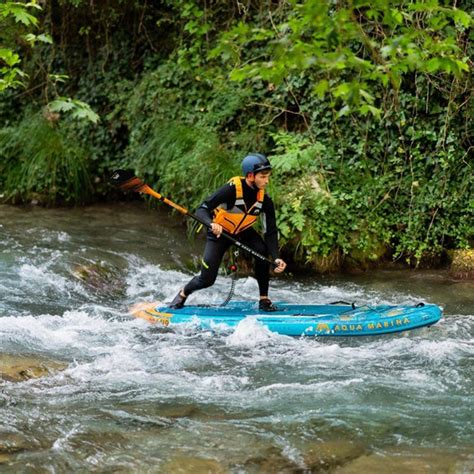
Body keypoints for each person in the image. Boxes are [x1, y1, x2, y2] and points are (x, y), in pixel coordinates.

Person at [169, 153, 287, 311]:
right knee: (207, 280)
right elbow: (202, 209)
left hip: (243, 232)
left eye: (268, 176)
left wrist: (276, 257)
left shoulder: (265, 200)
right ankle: (183, 293)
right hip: (219, 234)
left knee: (261, 251)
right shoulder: (230, 190)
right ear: (250, 176)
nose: (267, 181)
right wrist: (211, 224)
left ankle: (264, 299)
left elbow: (270, 232)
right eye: (263, 176)